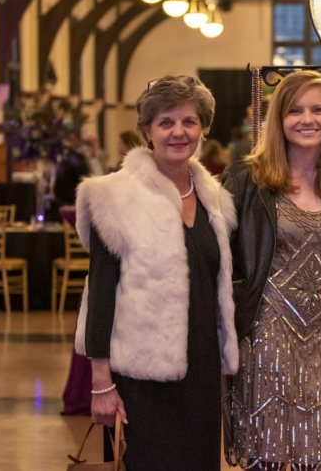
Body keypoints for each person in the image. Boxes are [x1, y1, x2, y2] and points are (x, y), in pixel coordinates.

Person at [73, 75, 239, 470]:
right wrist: (101, 382)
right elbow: (100, 293)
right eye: (166, 122)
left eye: (189, 121)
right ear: (147, 130)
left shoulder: (216, 199)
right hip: (138, 378)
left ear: (203, 128)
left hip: (201, 374)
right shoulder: (112, 195)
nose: (178, 132)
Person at [222, 70, 321, 470]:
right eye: (295, 110)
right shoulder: (247, 179)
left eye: (318, 109)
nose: (307, 119)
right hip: (265, 340)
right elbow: (221, 259)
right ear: (278, 119)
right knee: (266, 457)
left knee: (319, 456)